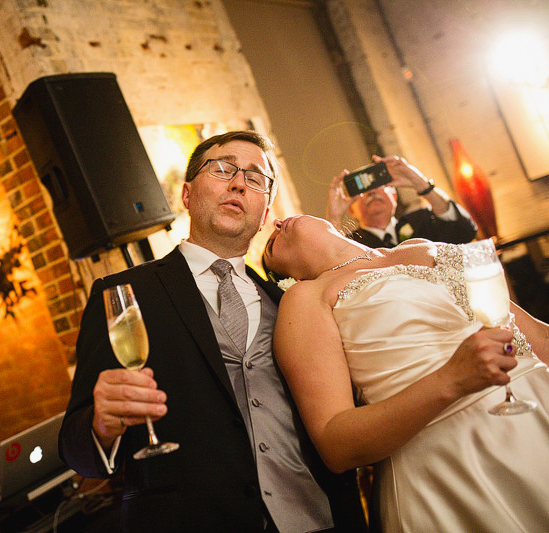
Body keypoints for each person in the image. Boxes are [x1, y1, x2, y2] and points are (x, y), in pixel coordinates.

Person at [59, 131, 366, 532]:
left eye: (255, 178)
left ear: (265, 210)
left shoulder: (291, 300)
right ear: (187, 194)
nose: (239, 182)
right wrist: (101, 424)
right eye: (222, 169)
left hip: (321, 519)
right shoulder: (123, 294)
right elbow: (74, 451)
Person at [263, 214, 549, 532]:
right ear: (287, 277)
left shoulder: (419, 247)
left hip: (538, 413)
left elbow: (536, 338)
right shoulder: (307, 298)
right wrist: (452, 378)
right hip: (455, 464)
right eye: (270, 247)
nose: (276, 223)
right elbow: (336, 444)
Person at [327, 155, 477, 247]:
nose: (371, 192)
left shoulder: (422, 221)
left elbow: (465, 231)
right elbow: (329, 262)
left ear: (394, 196)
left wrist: (421, 184)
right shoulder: (350, 243)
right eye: (362, 190)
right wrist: (334, 218)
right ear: (351, 209)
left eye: (377, 185)